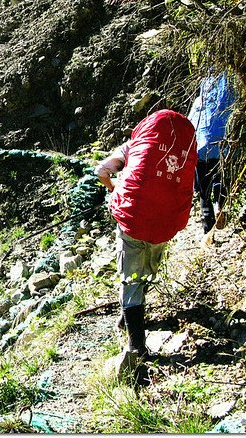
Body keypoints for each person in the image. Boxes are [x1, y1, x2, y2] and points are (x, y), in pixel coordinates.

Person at [94, 109, 197, 381]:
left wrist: (114, 188)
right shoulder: (185, 152)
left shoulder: (132, 147)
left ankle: (136, 347)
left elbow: (101, 171)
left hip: (133, 219)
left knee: (130, 278)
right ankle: (130, 316)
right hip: (166, 222)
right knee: (147, 266)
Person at [188, 71, 236, 234]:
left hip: (201, 150)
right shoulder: (228, 98)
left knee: (204, 192)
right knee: (221, 179)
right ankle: (221, 205)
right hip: (224, 147)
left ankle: (208, 231)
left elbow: (189, 126)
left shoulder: (199, 104)